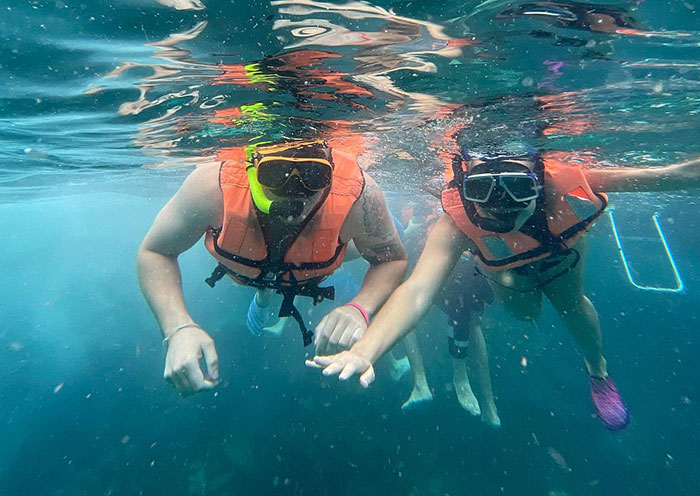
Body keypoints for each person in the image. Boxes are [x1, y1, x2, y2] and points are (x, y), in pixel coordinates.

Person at [307, 141, 700, 431]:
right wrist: (366, 350)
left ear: (539, 180)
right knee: (526, 314)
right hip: (504, 267)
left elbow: (670, 174)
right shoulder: (457, 222)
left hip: (559, 255)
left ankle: (598, 371)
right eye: (482, 190)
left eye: (518, 187)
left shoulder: (567, 183)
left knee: (571, 305)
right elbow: (417, 290)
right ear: (465, 187)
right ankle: (513, 280)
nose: (501, 203)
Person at [138, 137, 407, 396]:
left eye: (313, 175)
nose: (295, 192)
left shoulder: (359, 198)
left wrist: (360, 306)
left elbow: (391, 259)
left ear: (332, 171)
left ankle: (392, 224)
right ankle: (264, 292)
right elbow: (156, 251)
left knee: (393, 236)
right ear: (252, 169)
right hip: (254, 269)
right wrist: (177, 328)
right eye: (276, 173)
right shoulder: (212, 187)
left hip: (318, 262)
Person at [396, 204, 501, 426]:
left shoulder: (469, 201)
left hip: (461, 269)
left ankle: (480, 396)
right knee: (403, 312)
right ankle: (423, 382)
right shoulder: (425, 211)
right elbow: (407, 233)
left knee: (470, 320)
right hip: (431, 263)